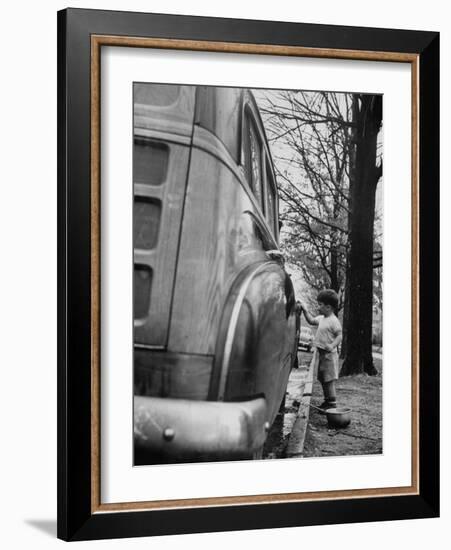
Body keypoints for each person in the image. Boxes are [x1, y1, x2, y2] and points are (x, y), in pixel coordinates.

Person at [299, 290, 342, 410]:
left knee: (329, 380)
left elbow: (339, 336)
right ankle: (327, 401)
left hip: (329, 355)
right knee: (323, 379)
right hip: (322, 354)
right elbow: (311, 321)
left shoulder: (334, 321)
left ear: (328, 307)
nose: (318, 307)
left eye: (320, 305)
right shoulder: (322, 318)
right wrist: (305, 311)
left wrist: (333, 345)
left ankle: (332, 403)